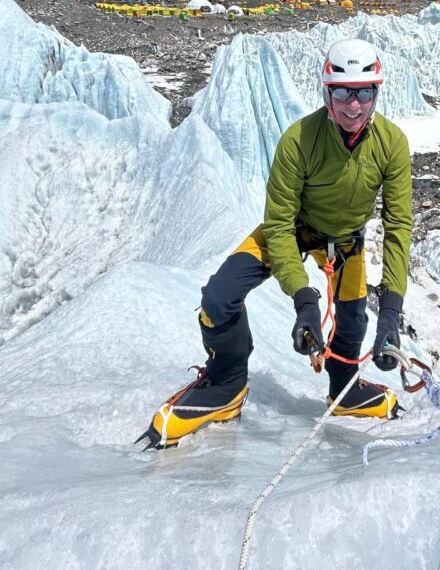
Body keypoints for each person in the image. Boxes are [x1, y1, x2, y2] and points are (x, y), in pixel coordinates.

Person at [144, 38, 413, 447]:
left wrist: (391, 310)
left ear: (377, 92)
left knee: (354, 317)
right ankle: (227, 386)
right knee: (219, 298)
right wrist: (304, 302)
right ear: (327, 92)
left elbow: (398, 227)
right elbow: (279, 223)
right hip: (294, 230)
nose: (353, 105)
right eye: (342, 92)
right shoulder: (298, 141)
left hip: (346, 242)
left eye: (364, 92)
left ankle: (345, 392)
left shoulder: (391, 145)